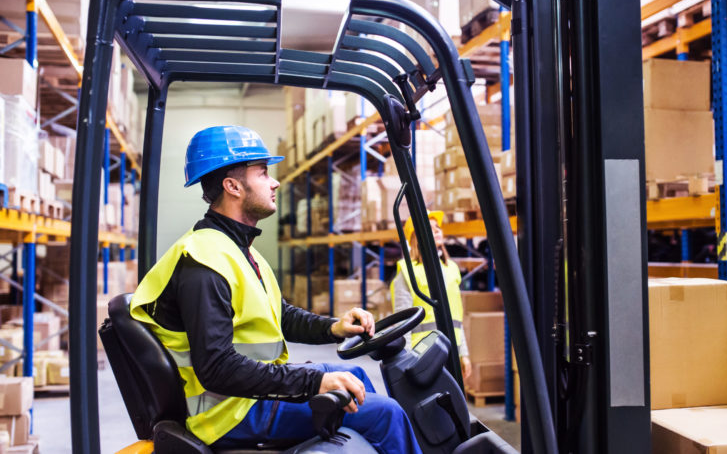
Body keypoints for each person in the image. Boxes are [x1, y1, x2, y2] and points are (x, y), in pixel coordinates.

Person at [129, 126, 422, 453]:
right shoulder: (204, 263)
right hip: (232, 412)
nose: (275, 182)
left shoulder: (240, 251)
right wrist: (312, 383)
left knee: (353, 374)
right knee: (386, 413)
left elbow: (280, 316)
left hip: (251, 396)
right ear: (233, 186)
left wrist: (334, 327)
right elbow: (217, 368)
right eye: (264, 173)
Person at [390, 210, 472, 381]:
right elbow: (403, 323)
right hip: (423, 355)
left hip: (451, 351)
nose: (437, 231)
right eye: (430, 227)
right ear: (415, 236)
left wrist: (464, 354)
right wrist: (407, 361)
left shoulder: (451, 270)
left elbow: (456, 318)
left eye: (438, 227)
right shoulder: (407, 273)